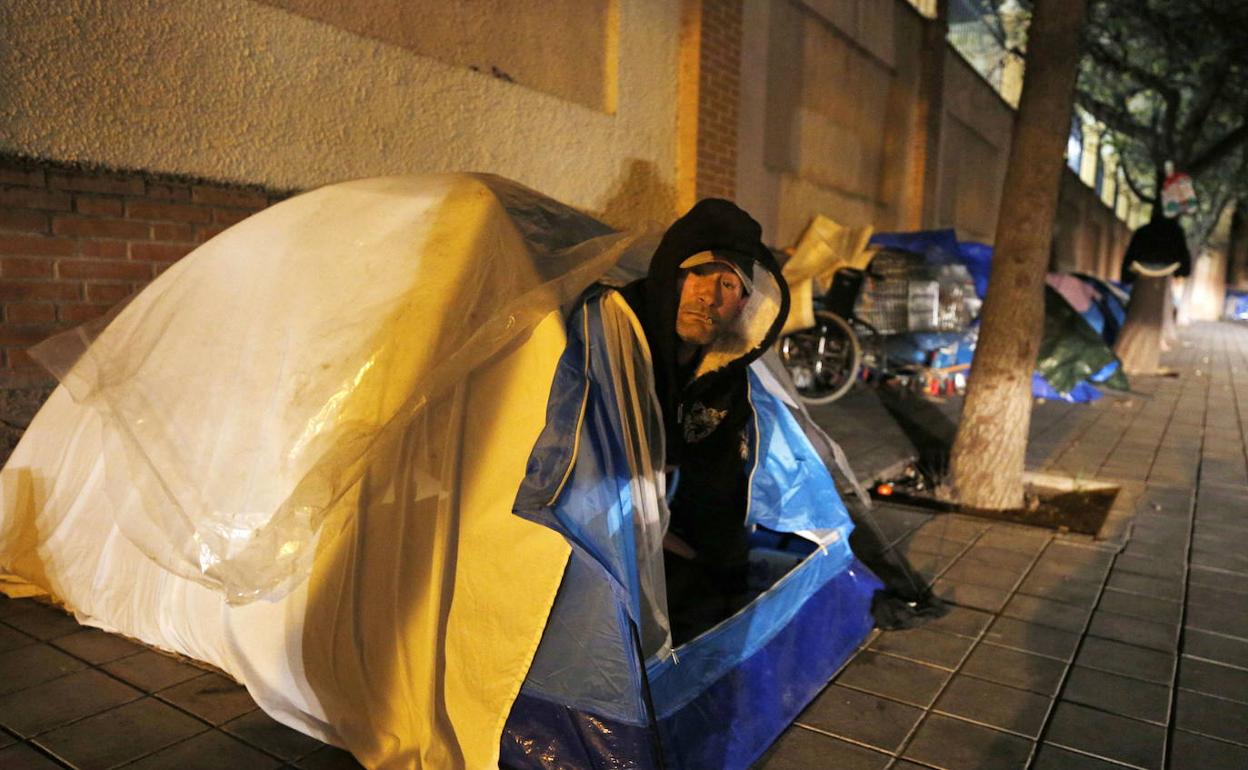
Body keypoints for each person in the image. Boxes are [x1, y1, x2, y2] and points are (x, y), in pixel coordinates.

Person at [618, 198, 790, 644]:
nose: (708, 296)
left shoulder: (723, 376)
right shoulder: (617, 336)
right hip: (611, 542)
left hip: (673, 535)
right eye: (698, 273)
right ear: (672, 277)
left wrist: (723, 564)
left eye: (729, 284)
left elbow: (721, 478)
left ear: (745, 305)